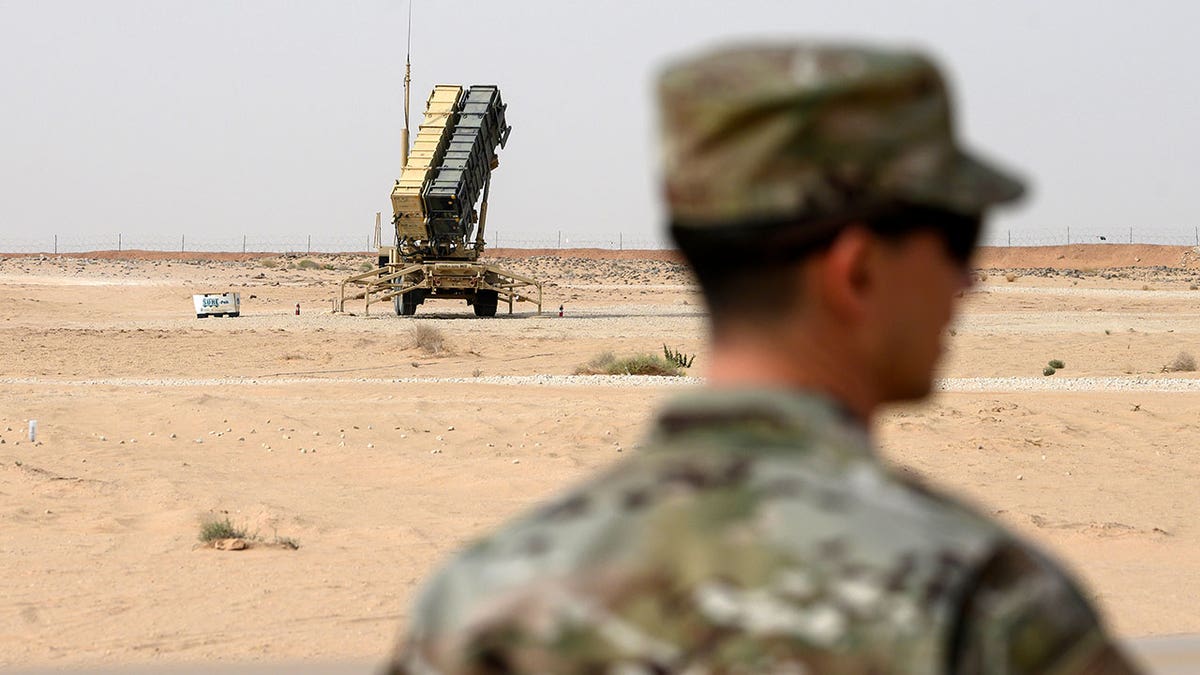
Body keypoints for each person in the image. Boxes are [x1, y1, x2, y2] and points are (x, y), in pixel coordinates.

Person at [386, 42, 1140, 673]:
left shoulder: (483, 604)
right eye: (957, 239)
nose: (968, 279)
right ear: (858, 270)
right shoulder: (989, 606)